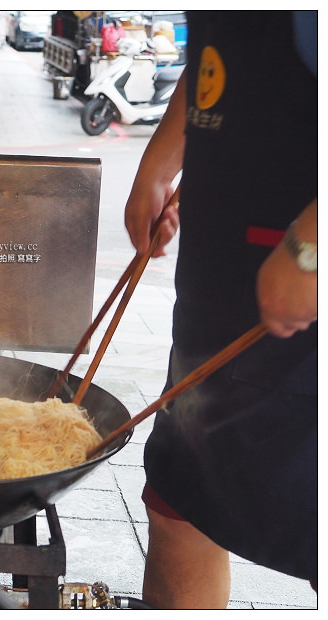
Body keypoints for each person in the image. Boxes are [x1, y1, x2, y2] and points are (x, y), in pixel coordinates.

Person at [123, 11, 317, 608]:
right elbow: (224, 53)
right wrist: (161, 160)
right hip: (221, 266)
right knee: (184, 501)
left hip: (301, 272)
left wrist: (312, 247)